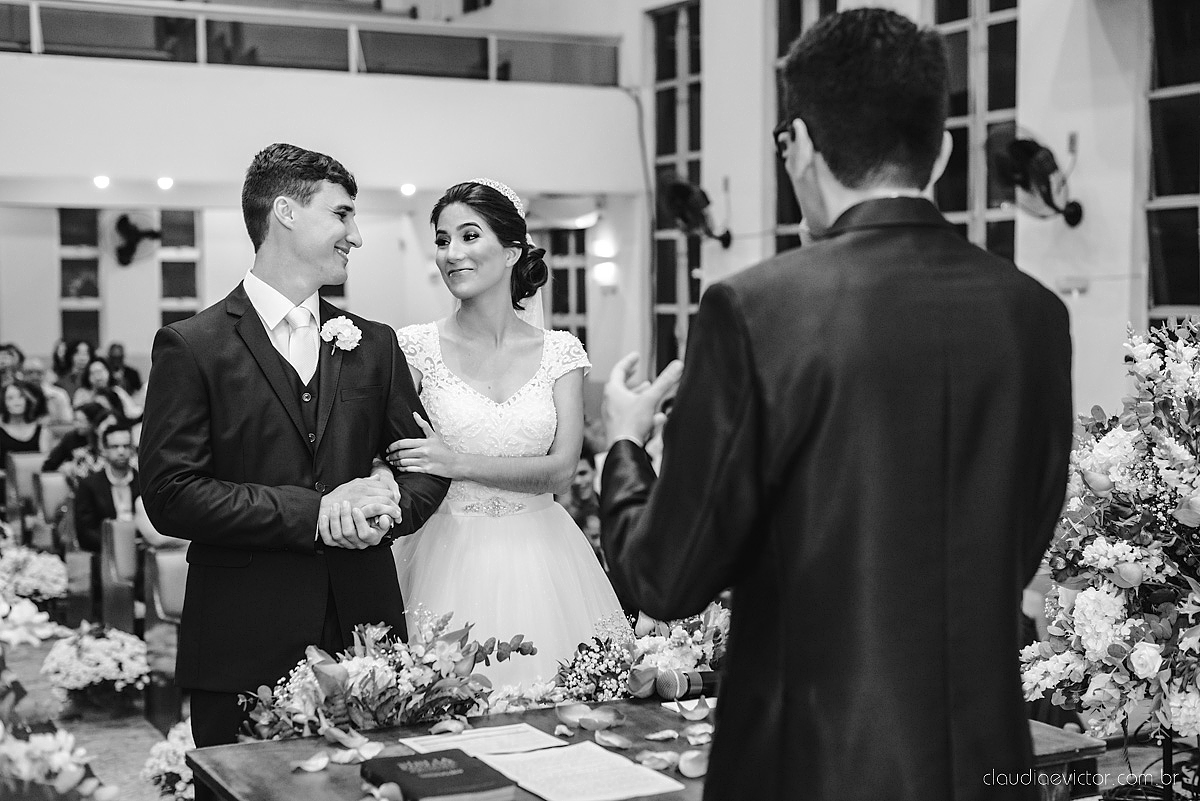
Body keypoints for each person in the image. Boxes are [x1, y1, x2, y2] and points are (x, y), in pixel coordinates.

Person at [599, 9, 1073, 801]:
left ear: (805, 148)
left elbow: (667, 578)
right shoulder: (1034, 313)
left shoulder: (756, 309)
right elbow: (1019, 542)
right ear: (945, 148)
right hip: (990, 762)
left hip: (814, 765)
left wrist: (625, 446)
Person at [138, 143, 449, 779]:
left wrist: (384, 512)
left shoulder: (376, 344)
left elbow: (424, 466)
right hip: (242, 638)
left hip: (367, 638)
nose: (356, 235)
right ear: (285, 212)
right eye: (342, 215)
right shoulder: (192, 347)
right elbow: (170, 493)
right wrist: (317, 512)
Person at [388, 179, 627, 688]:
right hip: (444, 550)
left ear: (513, 250)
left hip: (545, 556)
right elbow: (396, 455)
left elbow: (562, 470)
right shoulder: (413, 350)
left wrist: (455, 463)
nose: (452, 254)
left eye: (470, 236)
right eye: (442, 240)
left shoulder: (561, 353)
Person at [73, 423, 139, 621]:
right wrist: (115, 545)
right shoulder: (90, 485)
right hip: (106, 550)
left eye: (126, 446)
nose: (121, 451)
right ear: (104, 450)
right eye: (115, 446)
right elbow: (85, 532)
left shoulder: (144, 482)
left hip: (141, 548)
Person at [72, 356, 142, 424]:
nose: (98, 377)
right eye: (93, 373)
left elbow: (132, 412)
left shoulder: (117, 391)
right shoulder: (81, 393)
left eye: (100, 371)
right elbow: (76, 417)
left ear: (108, 372)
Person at [21, 357, 74, 425]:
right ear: (22, 374)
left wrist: (52, 422)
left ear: (45, 374)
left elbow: (68, 421)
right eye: (29, 373)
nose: (34, 376)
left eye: (39, 373)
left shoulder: (58, 394)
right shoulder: (16, 394)